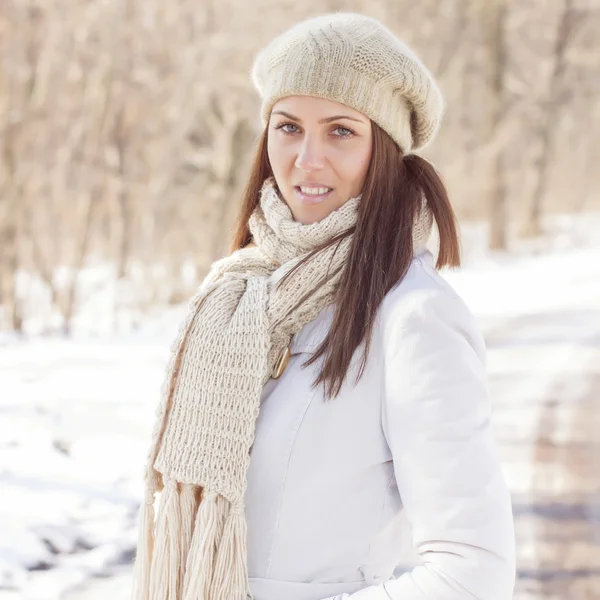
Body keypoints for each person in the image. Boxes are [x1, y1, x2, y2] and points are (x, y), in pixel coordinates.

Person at [130, 12, 516, 600]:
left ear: (382, 149)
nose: (307, 160)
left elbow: (473, 571)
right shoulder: (239, 294)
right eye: (288, 127)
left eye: (340, 131)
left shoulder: (412, 317)